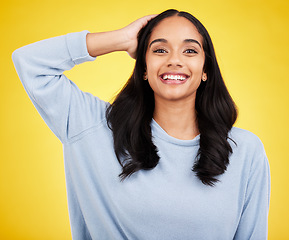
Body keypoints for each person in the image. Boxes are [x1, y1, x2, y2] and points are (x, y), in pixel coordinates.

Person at [12, 9, 270, 240]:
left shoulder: (245, 151)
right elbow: (30, 63)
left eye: (190, 50)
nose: (174, 59)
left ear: (206, 71)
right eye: (159, 49)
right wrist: (121, 39)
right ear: (144, 68)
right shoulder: (93, 127)